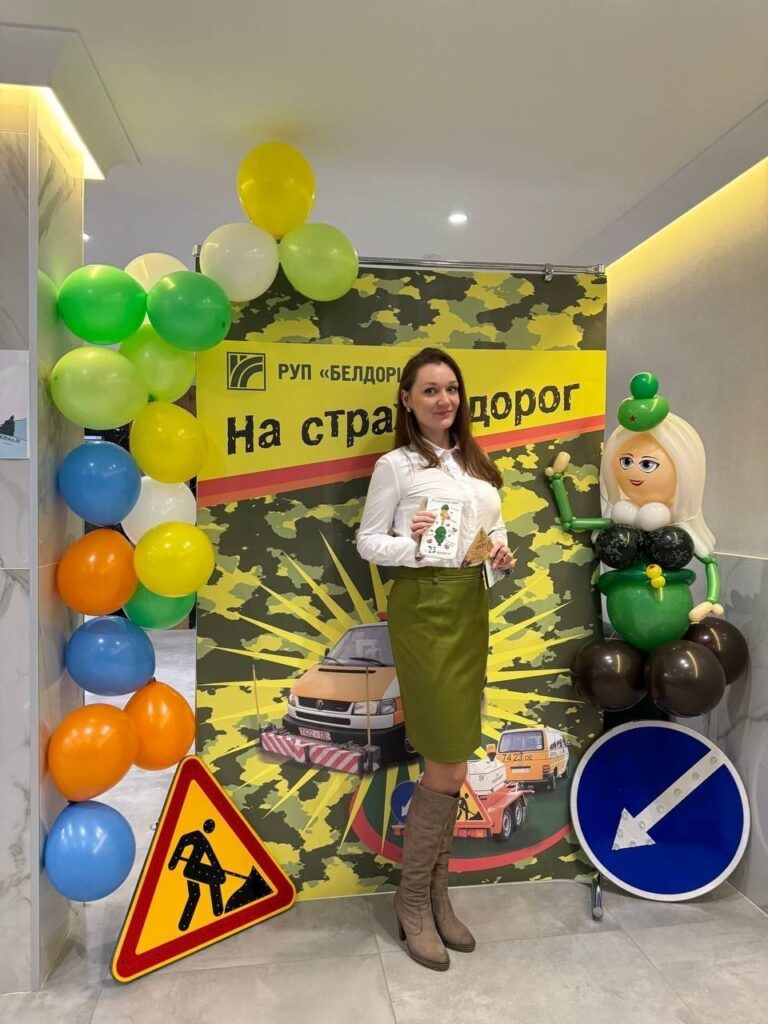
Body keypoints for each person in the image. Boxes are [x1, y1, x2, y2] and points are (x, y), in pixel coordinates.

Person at [356, 346, 515, 971]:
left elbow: (493, 536)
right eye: (429, 390)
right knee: (447, 759)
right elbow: (369, 542)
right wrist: (413, 543)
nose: (443, 399)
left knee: (454, 758)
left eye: (451, 388)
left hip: (471, 604)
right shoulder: (395, 466)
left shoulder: (477, 464)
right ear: (407, 399)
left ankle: (434, 897)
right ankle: (413, 902)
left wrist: (499, 557)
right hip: (422, 607)